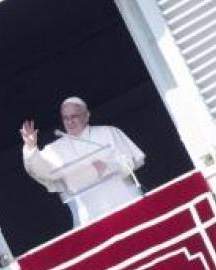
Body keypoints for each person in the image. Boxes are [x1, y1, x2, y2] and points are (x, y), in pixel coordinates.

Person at [20, 96, 146, 227]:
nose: (70, 122)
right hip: (90, 215)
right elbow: (40, 172)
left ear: (86, 116)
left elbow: (131, 162)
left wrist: (109, 167)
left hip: (125, 200)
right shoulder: (55, 149)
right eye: (66, 118)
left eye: (74, 116)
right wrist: (30, 147)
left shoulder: (108, 132)